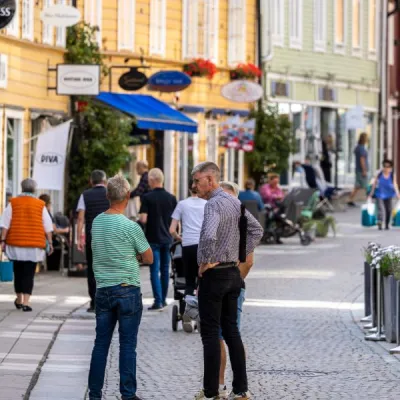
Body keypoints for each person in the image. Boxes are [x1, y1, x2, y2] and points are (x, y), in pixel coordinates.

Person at [192, 162, 263, 400]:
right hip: (233, 273)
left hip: (216, 275)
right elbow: (257, 230)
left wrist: (205, 261)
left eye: (197, 181)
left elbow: (209, 234)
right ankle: (241, 389)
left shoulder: (213, 204)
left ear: (210, 180)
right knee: (232, 332)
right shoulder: (234, 201)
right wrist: (239, 254)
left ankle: (212, 391)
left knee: (211, 333)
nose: (194, 186)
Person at [88, 175, 153, 400]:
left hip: (103, 289)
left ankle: (95, 394)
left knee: (101, 344)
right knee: (127, 345)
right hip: (127, 289)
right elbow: (149, 258)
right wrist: (133, 255)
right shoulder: (130, 226)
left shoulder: (96, 222)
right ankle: (128, 394)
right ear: (127, 196)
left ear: (107, 196)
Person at [0, 179, 53, 312]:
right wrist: (50, 242)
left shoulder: (13, 203)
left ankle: (19, 299)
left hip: (16, 243)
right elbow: (47, 227)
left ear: (22, 188)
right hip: (34, 245)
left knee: (18, 272)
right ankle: (26, 302)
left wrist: (2, 240)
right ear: (34, 190)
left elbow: (5, 224)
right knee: (29, 274)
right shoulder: (41, 205)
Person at [139, 168, 177, 310]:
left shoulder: (147, 198)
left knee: (154, 271)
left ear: (152, 180)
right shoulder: (171, 198)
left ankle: (158, 301)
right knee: (165, 270)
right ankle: (164, 299)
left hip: (152, 238)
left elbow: (143, 218)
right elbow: (175, 220)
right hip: (167, 239)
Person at [77, 170, 109, 313]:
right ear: (105, 181)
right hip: (110, 238)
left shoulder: (85, 195)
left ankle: (94, 303)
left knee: (92, 270)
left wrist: (79, 238)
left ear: (91, 181)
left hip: (93, 237)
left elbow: (80, 219)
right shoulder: (112, 194)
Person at [169, 180, 206, 297]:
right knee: (203, 281)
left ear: (189, 189)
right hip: (203, 246)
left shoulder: (182, 204)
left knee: (189, 282)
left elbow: (172, 230)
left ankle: (188, 310)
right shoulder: (207, 204)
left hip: (188, 245)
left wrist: (180, 238)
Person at [368, 159, 400, 230]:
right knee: (381, 209)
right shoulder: (379, 174)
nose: (386, 168)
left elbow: (395, 184)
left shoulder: (392, 175)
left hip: (389, 194)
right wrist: (371, 193)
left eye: (388, 166)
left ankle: (386, 224)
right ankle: (380, 222)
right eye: (385, 166)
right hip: (379, 194)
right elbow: (374, 183)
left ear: (391, 167)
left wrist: (398, 194)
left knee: (389, 210)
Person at [348, 133, 369, 207]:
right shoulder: (361, 148)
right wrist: (364, 170)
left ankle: (350, 199)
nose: (367, 139)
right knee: (366, 186)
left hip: (358, 169)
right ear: (364, 139)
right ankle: (369, 200)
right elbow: (362, 160)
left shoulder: (357, 147)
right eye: (367, 138)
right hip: (361, 170)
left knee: (357, 186)